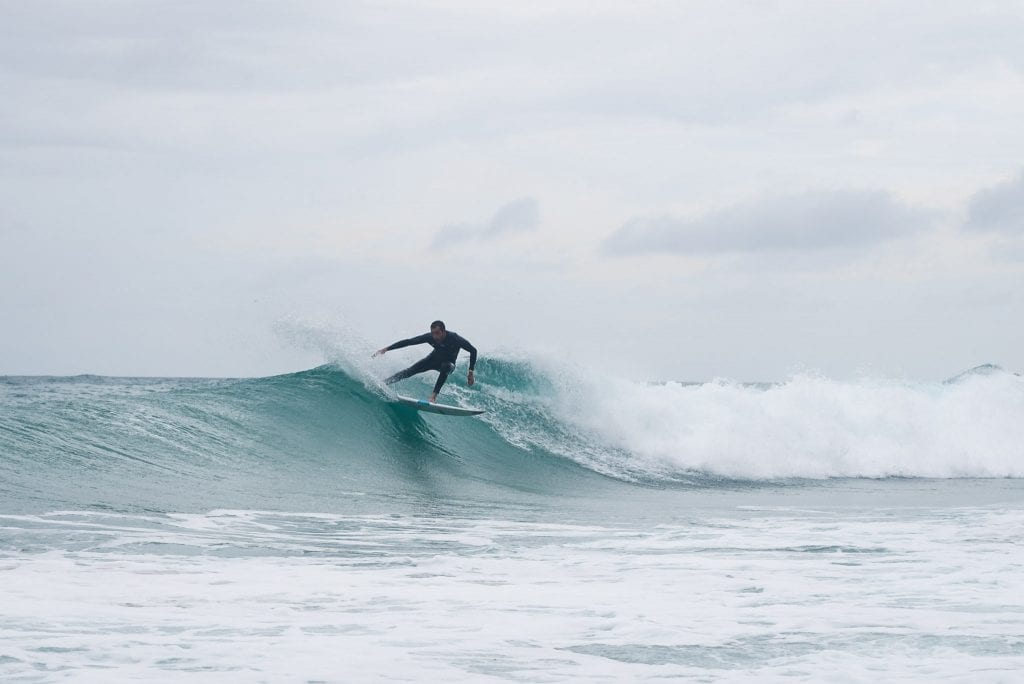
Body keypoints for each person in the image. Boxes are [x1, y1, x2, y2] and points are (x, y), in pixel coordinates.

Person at [373, 320, 477, 403]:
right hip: (433, 359)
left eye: (437, 333)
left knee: (445, 366)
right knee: (409, 371)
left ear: (443, 331)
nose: (435, 336)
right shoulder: (430, 337)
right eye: (433, 333)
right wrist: (387, 349)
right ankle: (384, 383)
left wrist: (470, 372)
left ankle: (433, 396)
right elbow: (410, 341)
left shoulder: (455, 338)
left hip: (449, 365)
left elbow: (473, 350)